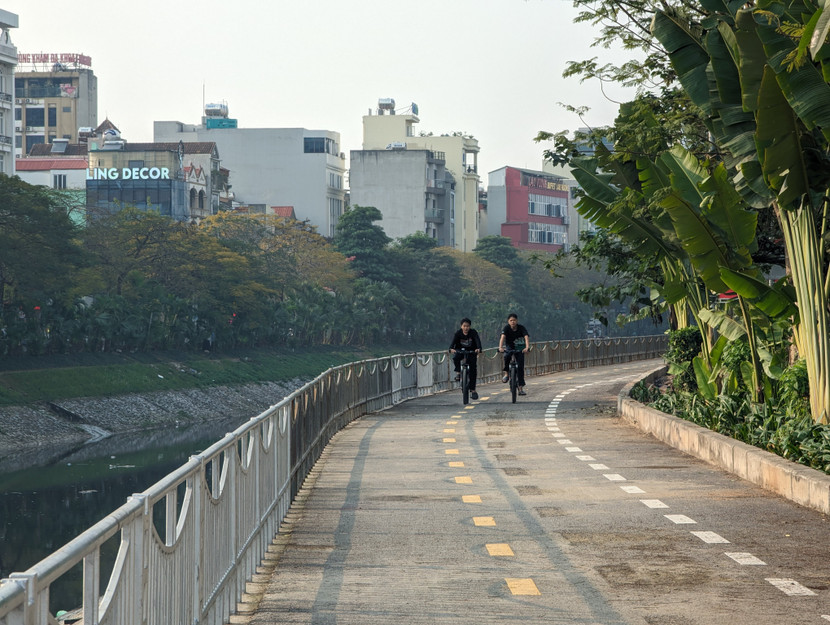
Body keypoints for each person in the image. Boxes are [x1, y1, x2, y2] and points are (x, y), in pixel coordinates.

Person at [449, 317, 482, 400]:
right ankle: (458, 372)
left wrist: (478, 349)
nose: (466, 328)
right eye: (464, 326)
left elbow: (477, 341)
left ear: (470, 326)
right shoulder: (458, 333)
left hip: (471, 352)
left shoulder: (473, 332)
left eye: (467, 326)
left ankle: (473, 390)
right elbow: (452, 344)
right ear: (461, 326)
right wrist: (451, 349)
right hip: (460, 351)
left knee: (473, 370)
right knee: (455, 358)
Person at [498, 313, 530, 395]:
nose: (513, 322)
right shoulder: (506, 328)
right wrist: (500, 347)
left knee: (520, 367)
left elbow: (526, 337)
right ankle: (506, 374)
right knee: (506, 356)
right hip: (509, 347)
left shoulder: (521, 328)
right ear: (508, 321)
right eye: (511, 320)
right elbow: (502, 337)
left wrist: (527, 347)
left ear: (517, 321)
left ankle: (520, 388)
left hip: (519, 348)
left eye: (514, 320)